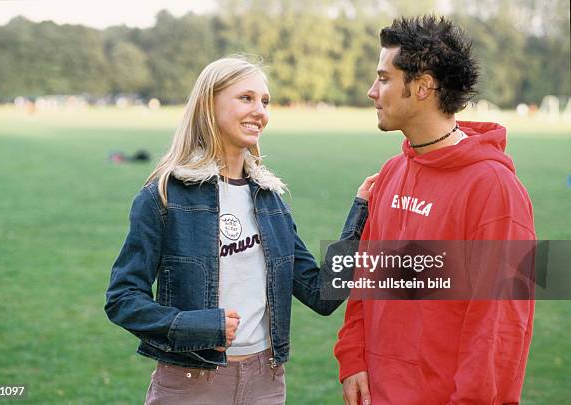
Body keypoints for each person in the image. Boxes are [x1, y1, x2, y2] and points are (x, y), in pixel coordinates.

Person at [104, 55, 377, 404]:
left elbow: (321, 293)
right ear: (209, 104)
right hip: (191, 385)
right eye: (245, 98)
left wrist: (360, 211)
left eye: (265, 101)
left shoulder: (270, 199)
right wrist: (196, 327)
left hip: (266, 383)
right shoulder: (165, 195)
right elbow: (123, 298)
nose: (260, 110)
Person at [334, 16, 536, 405]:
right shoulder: (392, 172)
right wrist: (353, 356)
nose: (371, 91)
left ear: (423, 87)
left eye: (384, 78)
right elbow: (367, 277)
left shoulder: (495, 190)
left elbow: (500, 327)